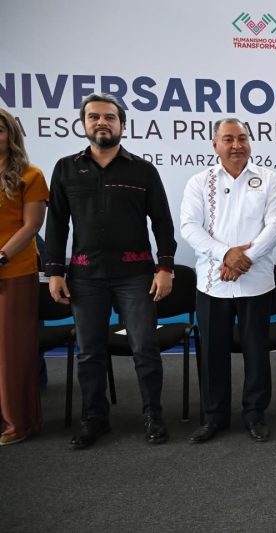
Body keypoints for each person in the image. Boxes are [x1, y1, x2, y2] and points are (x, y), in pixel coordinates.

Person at [46, 93, 177, 449]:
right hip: (85, 276)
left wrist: (165, 267)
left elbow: (162, 222)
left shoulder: (143, 170)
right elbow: (55, 223)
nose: (101, 122)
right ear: (83, 123)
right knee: (89, 352)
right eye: (94, 117)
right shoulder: (66, 168)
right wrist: (55, 271)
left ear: (122, 124)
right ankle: (95, 417)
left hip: (136, 275)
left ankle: (153, 414)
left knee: (144, 347)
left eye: (109, 117)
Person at [181, 118, 276, 443]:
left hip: (255, 282)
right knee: (213, 352)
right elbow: (189, 227)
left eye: (242, 138)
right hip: (213, 282)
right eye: (228, 139)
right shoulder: (199, 182)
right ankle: (214, 417)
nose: (236, 145)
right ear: (215, 145)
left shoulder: (268, 179)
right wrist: (226, 254)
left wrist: (244, 260)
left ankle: (255, 415)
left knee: (256, 352)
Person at [0, 108, 48, 446]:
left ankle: (17, 423)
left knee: (11, 352)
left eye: (0, 130)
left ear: (11, 135)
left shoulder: (31, 175)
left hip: (14, 271)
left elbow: (32, 226)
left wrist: (1, 256)